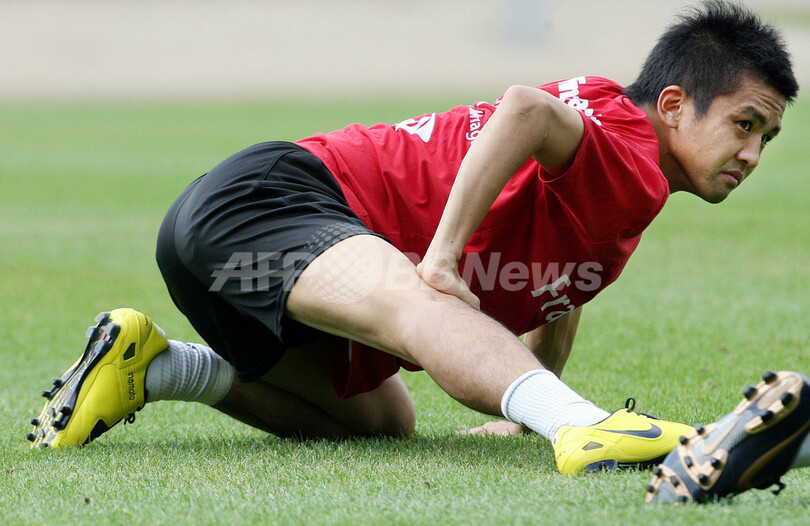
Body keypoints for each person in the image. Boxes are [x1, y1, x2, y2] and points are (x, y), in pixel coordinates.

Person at [28, 0, 808, 500]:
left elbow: (560, 284)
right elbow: (524, 109)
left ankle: (158, 364)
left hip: (230, 242)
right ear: (673, 105)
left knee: (382, 424)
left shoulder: (616, 144)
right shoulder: (628, 150)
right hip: (270, 201)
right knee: (419, 300)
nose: (751, 154)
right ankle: (582, 426)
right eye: (744, 124)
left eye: (766, 139)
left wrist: (521, 410)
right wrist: (442, 257)